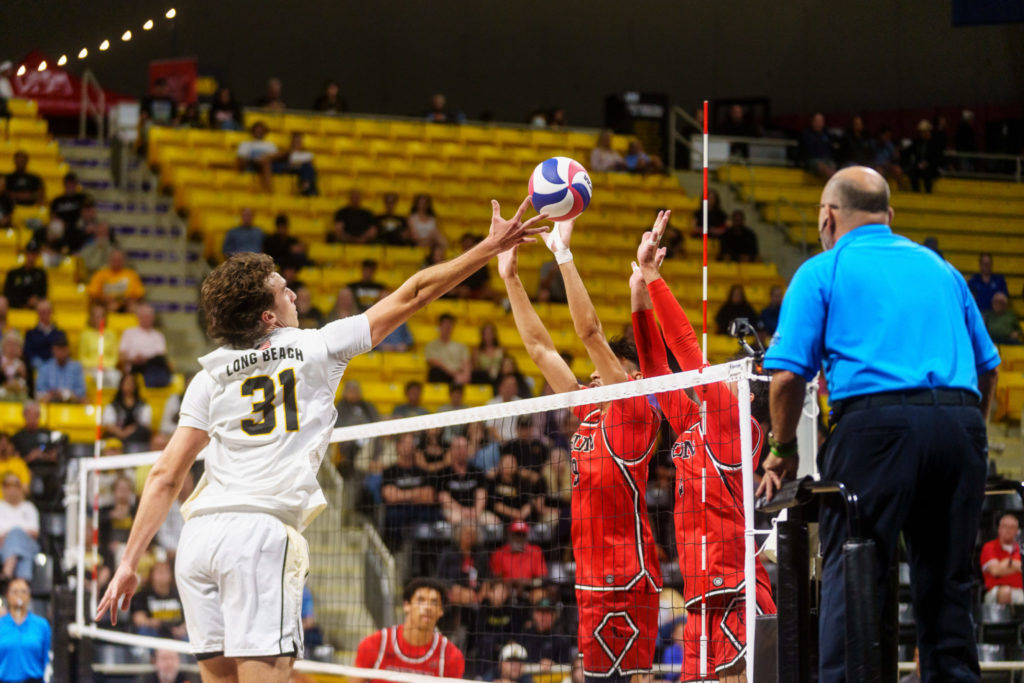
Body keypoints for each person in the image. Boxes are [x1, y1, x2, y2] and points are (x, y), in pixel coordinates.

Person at [96, 199, 547, 682]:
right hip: (259, 536)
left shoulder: (209, 376)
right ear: (268, 316)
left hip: (199, 540)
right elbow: (414, 292)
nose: (293, 293)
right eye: (283, 290)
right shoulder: (316, 346)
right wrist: (489, 246)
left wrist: (128, 561)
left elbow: (166, 474)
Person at [758, 166, 999, 681]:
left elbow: (784, 379)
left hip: (876, 428)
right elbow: (989, 367)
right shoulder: (941, 269)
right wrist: (965, 433)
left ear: (828, 215)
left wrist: (782, 450)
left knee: (856, 573)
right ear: (888, 215)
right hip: (960, 426)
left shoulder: (824, 269)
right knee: (948, 586)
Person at [499, 219, 663, 681]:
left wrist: (563, 256)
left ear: (630, 378)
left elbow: (590, 334)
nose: (592, 376)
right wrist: (510, 278)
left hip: (628, 577)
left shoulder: (635, 412)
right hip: (590, 575)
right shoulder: (588, 415)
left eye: (605, 370)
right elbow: (539, 348)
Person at [633, 213, 776, 682]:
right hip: (699, 591)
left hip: (735, 587)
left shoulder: (735, 425)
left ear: (745, 390)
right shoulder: (692, 422)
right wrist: (638, 291)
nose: (720, 376)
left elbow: (687, 350)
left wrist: (655, 278)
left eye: (731, 374)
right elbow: (656, 369)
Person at [352, 577, 465, 682]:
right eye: (421, 600)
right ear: (407, 606)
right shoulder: (375, 644)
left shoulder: (451, 656)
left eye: (434, 602)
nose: (427, 607)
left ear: (441, 611)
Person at [0, 578, 51, 683]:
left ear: (29, 596)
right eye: (14, 591)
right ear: (7, 596)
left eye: (23, 591)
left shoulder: (41, 625)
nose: (19, 595)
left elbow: (47, 659)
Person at [435, 435, 494, 525]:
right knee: (457, 519)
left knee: (493, 521)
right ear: (451, 450)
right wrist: (463, 511)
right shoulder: (443, 473)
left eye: (464, 447)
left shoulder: (477, 471)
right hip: (453, 511)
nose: (462, 451)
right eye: (458, 448)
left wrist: (476, 511)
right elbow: (443, 497)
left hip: (475, 511)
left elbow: (482, 493)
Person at [131, 560, 187, 639]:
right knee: (144, 631)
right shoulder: (142, 595)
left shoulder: (180, 594)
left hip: (177, 635)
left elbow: (190, 618)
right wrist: (153, 622)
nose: (162, 575)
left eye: (165, 572)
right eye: (159, 572)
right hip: (153, 634)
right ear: (151, 575)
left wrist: (183, 629)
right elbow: (138, 619)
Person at [118, 303, 171, 384]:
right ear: (138, 317)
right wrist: (133, 359)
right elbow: (121, 355)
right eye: (144, 316)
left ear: (153, 318)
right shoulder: (129, 333)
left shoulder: (158, 336)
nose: (146, 319)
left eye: (149, 316)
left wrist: (146, 359)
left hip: (152, 369)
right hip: (132, 369)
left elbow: (161, 355)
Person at [0, 473, 39, 581]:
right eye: (8, 486)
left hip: (28, 543)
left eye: (14, 486)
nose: (11, 490)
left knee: (17, 535)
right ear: (3, 489)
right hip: (2, 546)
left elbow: (35, 534)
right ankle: (22, 584)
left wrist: (12, 534)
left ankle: (7, 573)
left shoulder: (29, 507)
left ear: (20, 488)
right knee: (18, 544)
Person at [980, 513, 1023, 605]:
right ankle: (1005, 619)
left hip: (1020, 590)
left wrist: (1007, 563)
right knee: (1005, 591)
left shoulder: (1021, 548)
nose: (1008, 530)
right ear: (999, 529)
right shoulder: (989, 547)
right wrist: (1016, 565)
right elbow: (995, 570)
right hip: (995, 591)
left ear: (1017, 531)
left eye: (1012, 527)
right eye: (1005, 526)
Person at [103, 373, 153, 451]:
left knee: (144, 433)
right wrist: (120, 432)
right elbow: (108, 423)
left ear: (135, 386)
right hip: (117, 435)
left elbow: (145, 423)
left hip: (136, 436)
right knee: (111, 439)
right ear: (121, 385)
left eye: (131, 383)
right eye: (126, 383)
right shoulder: (113, 405)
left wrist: (131, 429)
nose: (128, 386)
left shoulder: (142, 405)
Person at [489, 520, 547, 588]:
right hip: (505, 589)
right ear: (510, 535)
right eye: (516, 534)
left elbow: (542, 578)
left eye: (522, 535)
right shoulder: (498, 553)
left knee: (539, 594)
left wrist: (528, 583)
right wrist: (509, 583)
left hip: (529, 589)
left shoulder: (536, 551)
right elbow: (495, 578)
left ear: (527, 536)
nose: (519, 538)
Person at [87, 248, 145, 313]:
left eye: (119, 260)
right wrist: (104, 300)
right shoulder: (100, 274)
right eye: (114, 260)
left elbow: (140, 294)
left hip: (127, 304)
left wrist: (128, 300)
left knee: (135, 308)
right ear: (109, 260)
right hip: (106, 304)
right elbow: (93, 294)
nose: (117, 262)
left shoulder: (132, 275)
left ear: (124, 261)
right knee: (111, 307)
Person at [34, 331, 86, 403]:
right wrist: (53, 394)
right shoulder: (45, 367)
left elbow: (81, 391)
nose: (60, 353)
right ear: (53, 350)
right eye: (58, 349)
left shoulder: (76, 367)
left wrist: (66, 394)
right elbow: (40, 390)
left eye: (63, 349)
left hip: (71, 402)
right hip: (50, 402)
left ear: (68, 350)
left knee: (84, 400)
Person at [79, 304, 121, 387]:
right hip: (90, 368)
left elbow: (114, 356)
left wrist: (106, 366)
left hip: (108, 368)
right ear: (91, 318)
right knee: (98, 377)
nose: (99, 319)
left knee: (117, 377)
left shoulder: (111, 334)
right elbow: (82, 357)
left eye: (102, 316)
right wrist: (96, 366)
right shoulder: (85, 335)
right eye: (96, 316)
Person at [425, 313, 471, 385]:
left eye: (450, 326)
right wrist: (454, 374)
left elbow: (466, 363)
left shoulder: (461, 346)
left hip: (458, 375)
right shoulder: (431, 345)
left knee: (480, 375)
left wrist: (466, 375)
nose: (448, 329)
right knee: (435, 371)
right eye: (445, 326)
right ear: (440, 326)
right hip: (444, 375)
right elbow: (434, 362)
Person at [3, 240, 47, 309]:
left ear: (37, 255)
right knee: (2, 301)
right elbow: (7, 294)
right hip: (15, 308)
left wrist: (36, 300)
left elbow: (43, 294)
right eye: (29, 253)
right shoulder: (13, 273)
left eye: (34, 254)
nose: (31, 257)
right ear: (26, 254)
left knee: (45, 304)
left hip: (34, 309)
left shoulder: (41, 275)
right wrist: (23, 303)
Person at [904, 119, 942, 194]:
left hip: (931, 167)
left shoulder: (935, 144)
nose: (923, 134)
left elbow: (938, 157)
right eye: (921, 132)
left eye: (925, 132)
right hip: (918, 166)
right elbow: (908, 152)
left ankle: (928, 193)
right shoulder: (917, 142)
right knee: (912, 172)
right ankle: (916, 192)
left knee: (927, 174)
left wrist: (928, 163)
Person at [23, 300, 62, 370]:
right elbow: (27, 353)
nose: (45, 314)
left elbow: (63, 351)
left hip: (56, 368)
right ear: (37, 313)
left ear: (51, 312)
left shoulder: (60, 334)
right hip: (36, 368)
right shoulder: (30, 334)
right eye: (42, 312)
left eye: (47, 311)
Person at [799, 113, 836, 180]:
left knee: (833, 166)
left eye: (821, 121)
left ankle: (834, 180)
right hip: (812, 160)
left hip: (827, 160)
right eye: (817, 121)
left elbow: (830, 150)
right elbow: (805, 152)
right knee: (822, 166)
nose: (819, 123)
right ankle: (834, 182)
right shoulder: (806, 134)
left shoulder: (827, 134)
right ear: (812, 122)